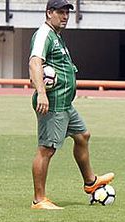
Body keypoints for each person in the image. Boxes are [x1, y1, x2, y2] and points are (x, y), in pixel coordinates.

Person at [28, 0, 114, 209]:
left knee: (82, 135)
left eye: (67, 12)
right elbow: (34, 62)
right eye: (60, 12)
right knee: (46, 149)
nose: (65, 16)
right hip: (53, 103)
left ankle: (90, 182)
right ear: (49, 13)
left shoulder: (56, 36)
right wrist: (41, 93)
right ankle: (39, 200)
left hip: (65, 104)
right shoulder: (44, 35)